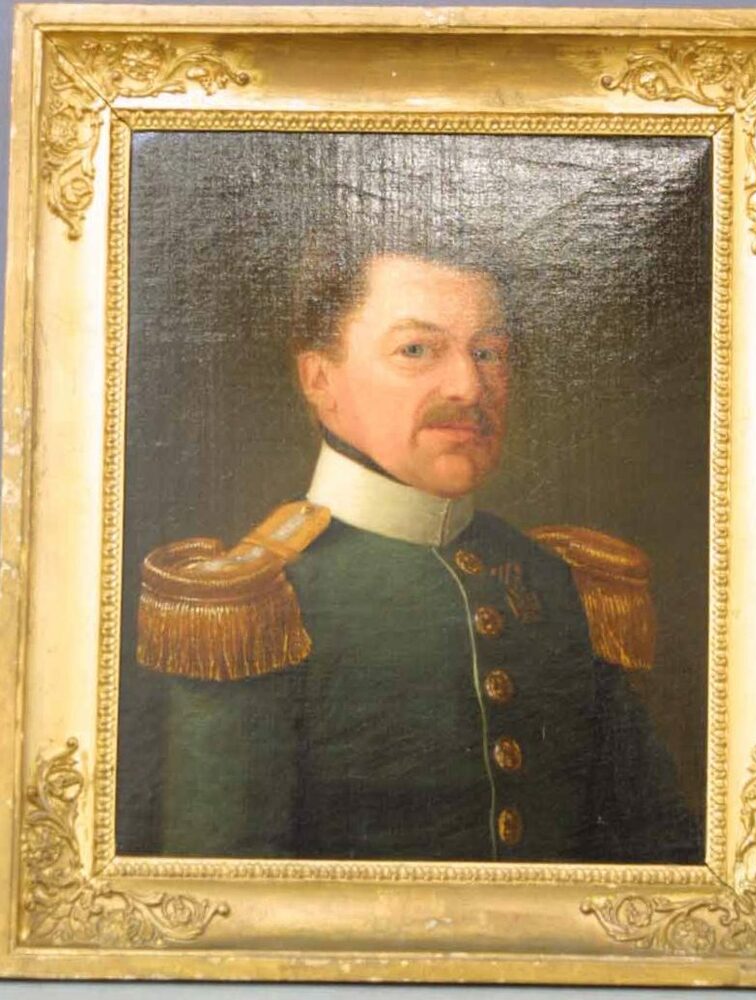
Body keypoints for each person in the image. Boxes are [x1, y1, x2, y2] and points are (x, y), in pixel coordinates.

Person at [136, 243, 701, 863]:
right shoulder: (256, 608)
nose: (469, 386)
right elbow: (224, 898)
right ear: (320, 380)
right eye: (416, 350)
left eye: (488, 353)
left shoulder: (558, 582)